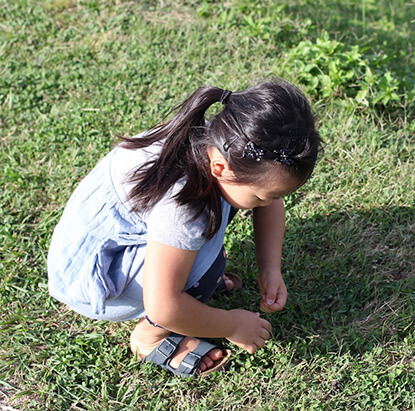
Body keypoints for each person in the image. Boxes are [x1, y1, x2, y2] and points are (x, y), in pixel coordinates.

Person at [47, 79, 322, 377]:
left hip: (108, 241)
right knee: (199, 270)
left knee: (221, 220)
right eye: (261, 196)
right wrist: (232, 325)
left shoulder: (216, 143)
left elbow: (268, 197)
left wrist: (270, 268)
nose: (269, 202)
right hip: (92, 278)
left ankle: (194, 282)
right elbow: (163, 306)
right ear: (220, 168)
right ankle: (151, 337)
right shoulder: (184, 206)